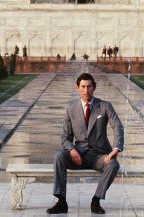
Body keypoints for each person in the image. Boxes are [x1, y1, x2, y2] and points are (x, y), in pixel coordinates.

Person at [47, 72, 124, 215]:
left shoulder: (105, 106)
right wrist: (71, 149)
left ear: (94, 88)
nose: (86, 90)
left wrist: (116, 149)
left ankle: (96, 201)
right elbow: (65, 136)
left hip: (99, 156)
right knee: (59, 156)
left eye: (89, 87)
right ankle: (61, 201)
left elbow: (117, 126)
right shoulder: (71, 109)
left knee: (114, 164)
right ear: (77, 88)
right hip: (78, 156)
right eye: (83, 87)